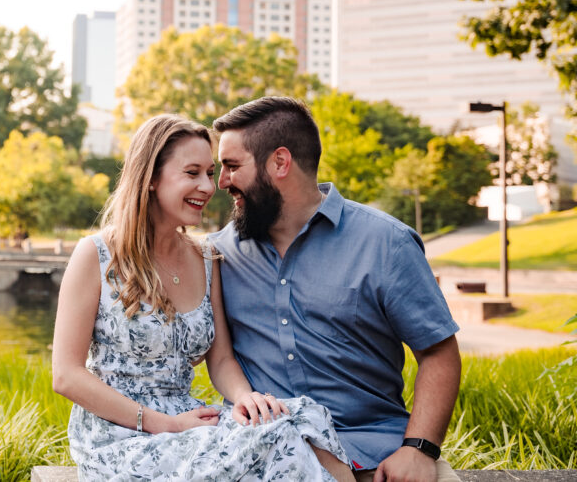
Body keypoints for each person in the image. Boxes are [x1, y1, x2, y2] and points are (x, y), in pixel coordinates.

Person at [52, 113, 354, 481]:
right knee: (274, 441)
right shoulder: (97, 255)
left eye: (210, 173)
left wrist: (245, 397)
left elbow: (222, 359)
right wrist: (165, 424)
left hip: (188, 418)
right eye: (192, 173)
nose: (209, 187)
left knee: (302, 418)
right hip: (118, 433)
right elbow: (66, 375)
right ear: (150, 178)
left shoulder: (207, 258)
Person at [208, 97, 462, 482]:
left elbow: (438, 351)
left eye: (231, 166)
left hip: (381, 455)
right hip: (266, 457)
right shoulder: (217, 257)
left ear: (280, 162)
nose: (222, 182)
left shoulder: (385, 243)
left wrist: (419, 449)